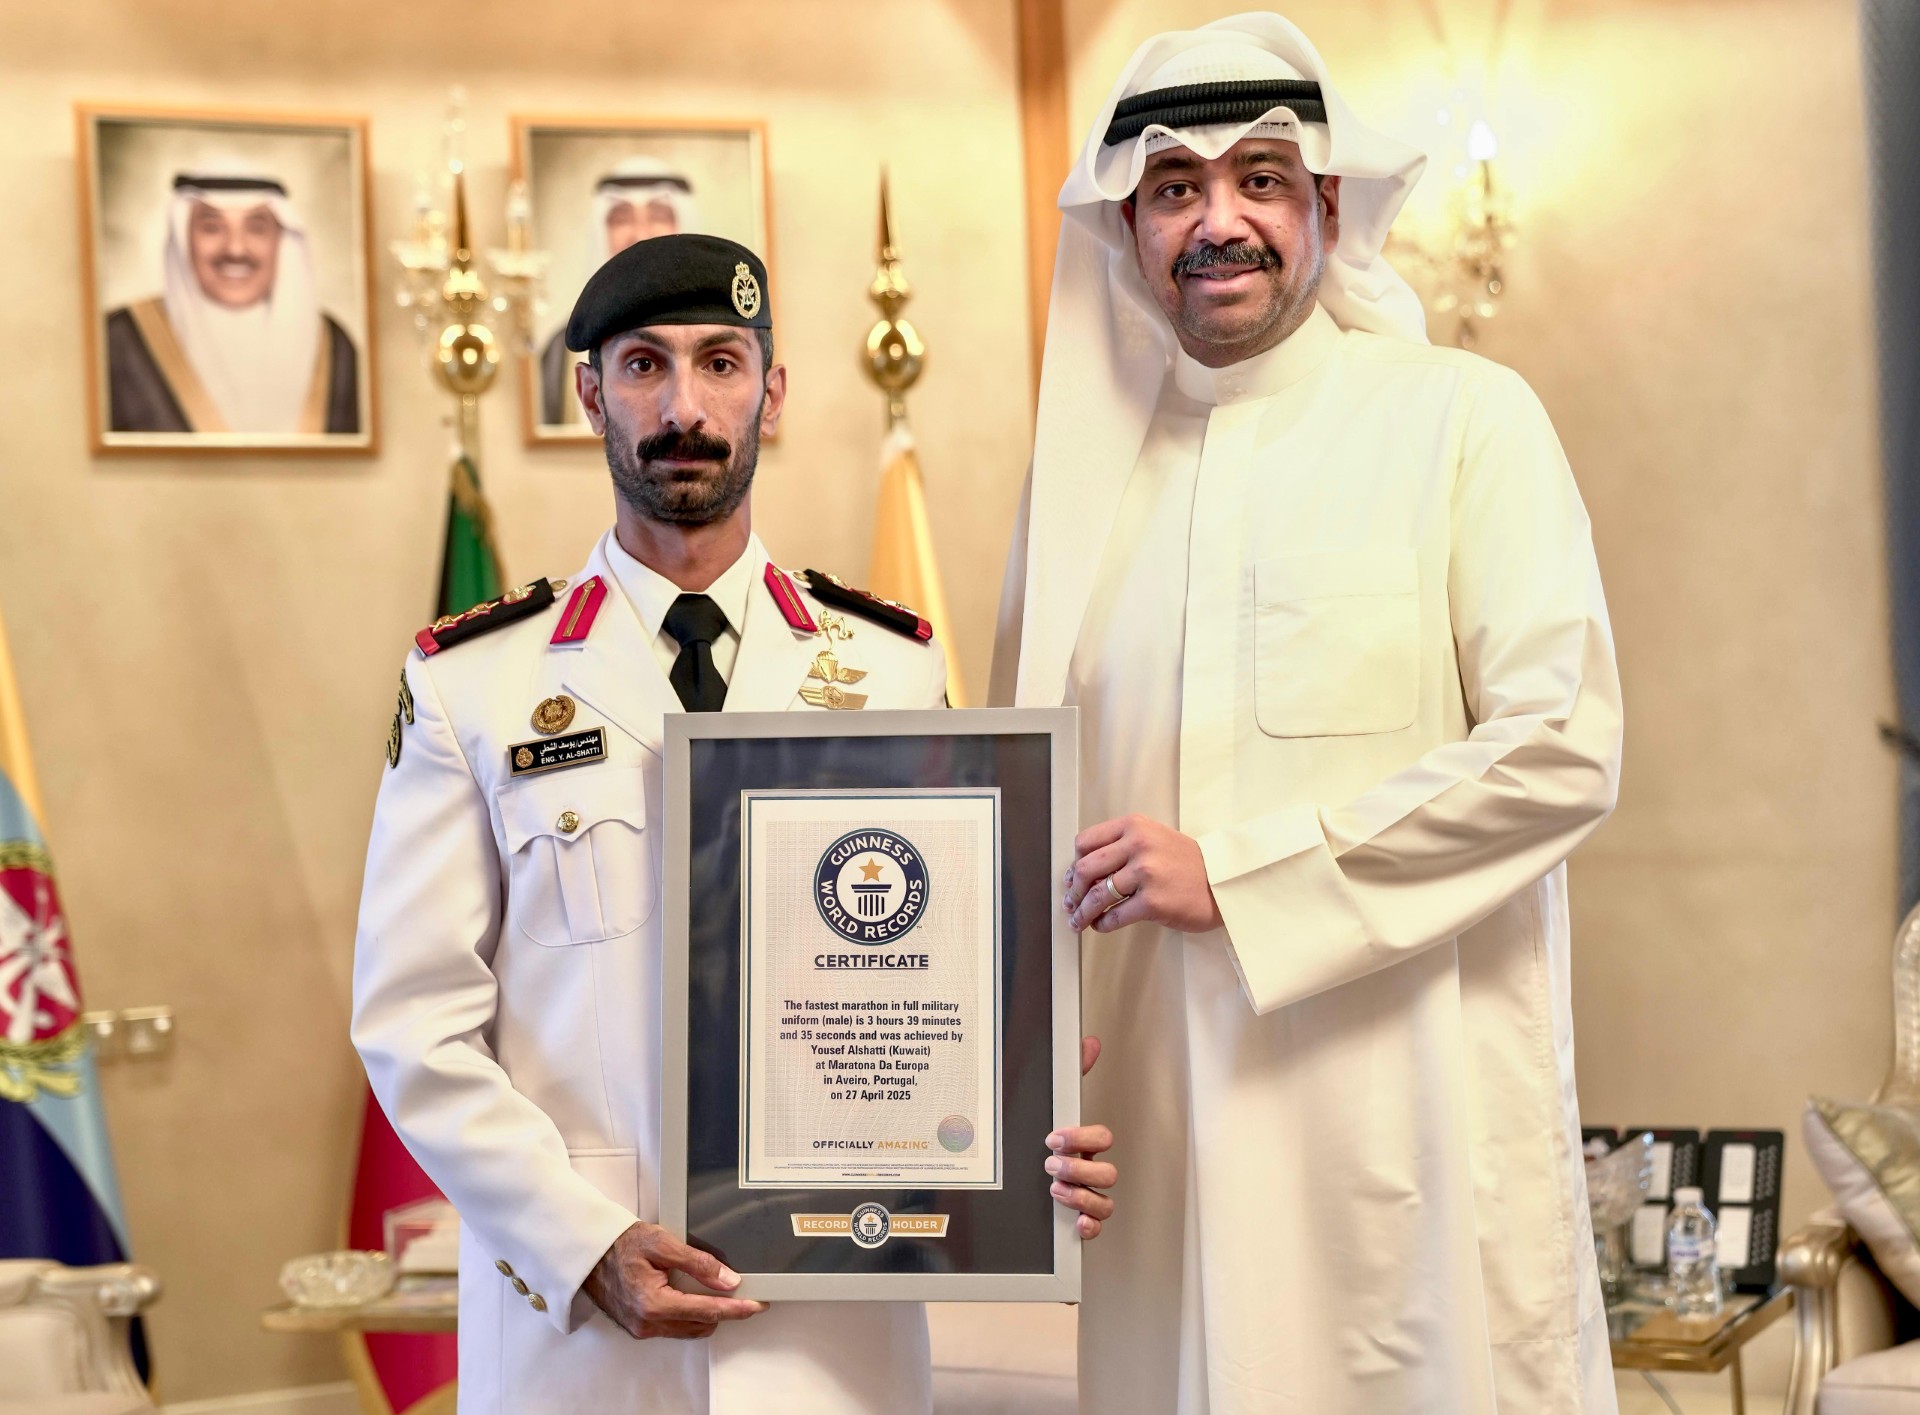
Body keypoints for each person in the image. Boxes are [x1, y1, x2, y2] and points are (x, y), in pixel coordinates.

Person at [354, 233, 1116, 1414]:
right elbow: (413, 1023)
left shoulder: (888, 668)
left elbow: (952, 974)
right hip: (585, 1331)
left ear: (772, 390)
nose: (685, 406)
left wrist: (1027, 1099)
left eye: (720, 363)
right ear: (589, 391)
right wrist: (582, 1240)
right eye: (645, 366)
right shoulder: (476, 685)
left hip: (831, 1328)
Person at [992, 14, 1624, 1414]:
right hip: (1150, 1158)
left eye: (1261, 179)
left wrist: (1241, 868)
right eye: (1174, 188)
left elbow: (1563, 743)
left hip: (1402, 1135)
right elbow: (1011, 826)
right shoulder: (1078, 497)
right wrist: (1007, 1090)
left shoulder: (1466, 419)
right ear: (1127, 227)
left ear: (1329, 205)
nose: (1219, 222)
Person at [104, 171, 359, 435]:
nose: (235, 249)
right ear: (184, 238)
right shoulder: (119, 339)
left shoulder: (332, 345)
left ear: (280, 240)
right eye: (212, 228)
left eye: (256, 228)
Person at [541, 158, 697, 425]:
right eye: (622, 219)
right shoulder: (561, 349)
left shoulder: (725, 339)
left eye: (658, 217)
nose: (640, 233)